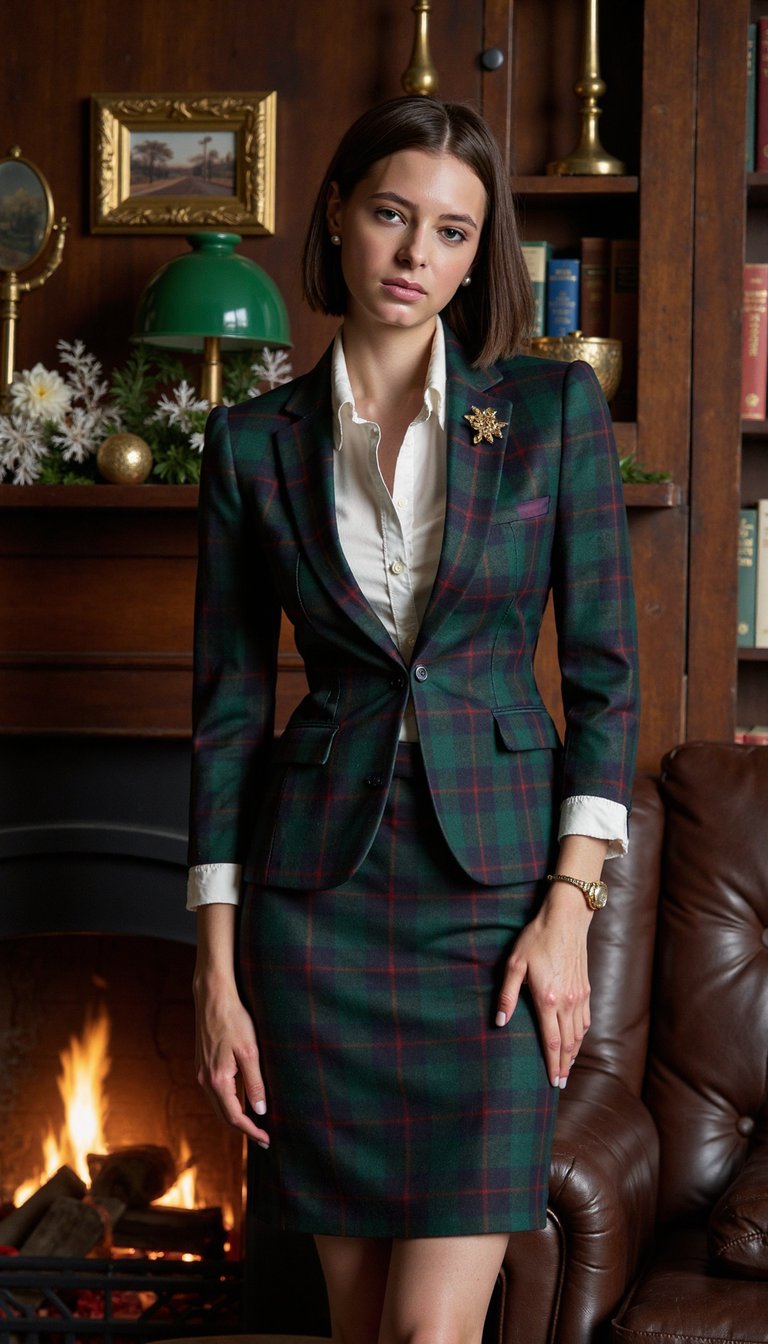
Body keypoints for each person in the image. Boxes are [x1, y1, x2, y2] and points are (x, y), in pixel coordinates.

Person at [187, 95, 639, 1344]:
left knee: (434, 1331)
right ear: (337, 215)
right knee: (358, 1320)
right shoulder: (251, 446)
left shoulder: (550, 418)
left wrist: (570, 905)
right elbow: (226, 722)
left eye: (451, 232)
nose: (414, 258)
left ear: (475, 253)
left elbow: (605, 679)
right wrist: (218, 979)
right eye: (392, 216)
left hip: (497, 910)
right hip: (314, 917)